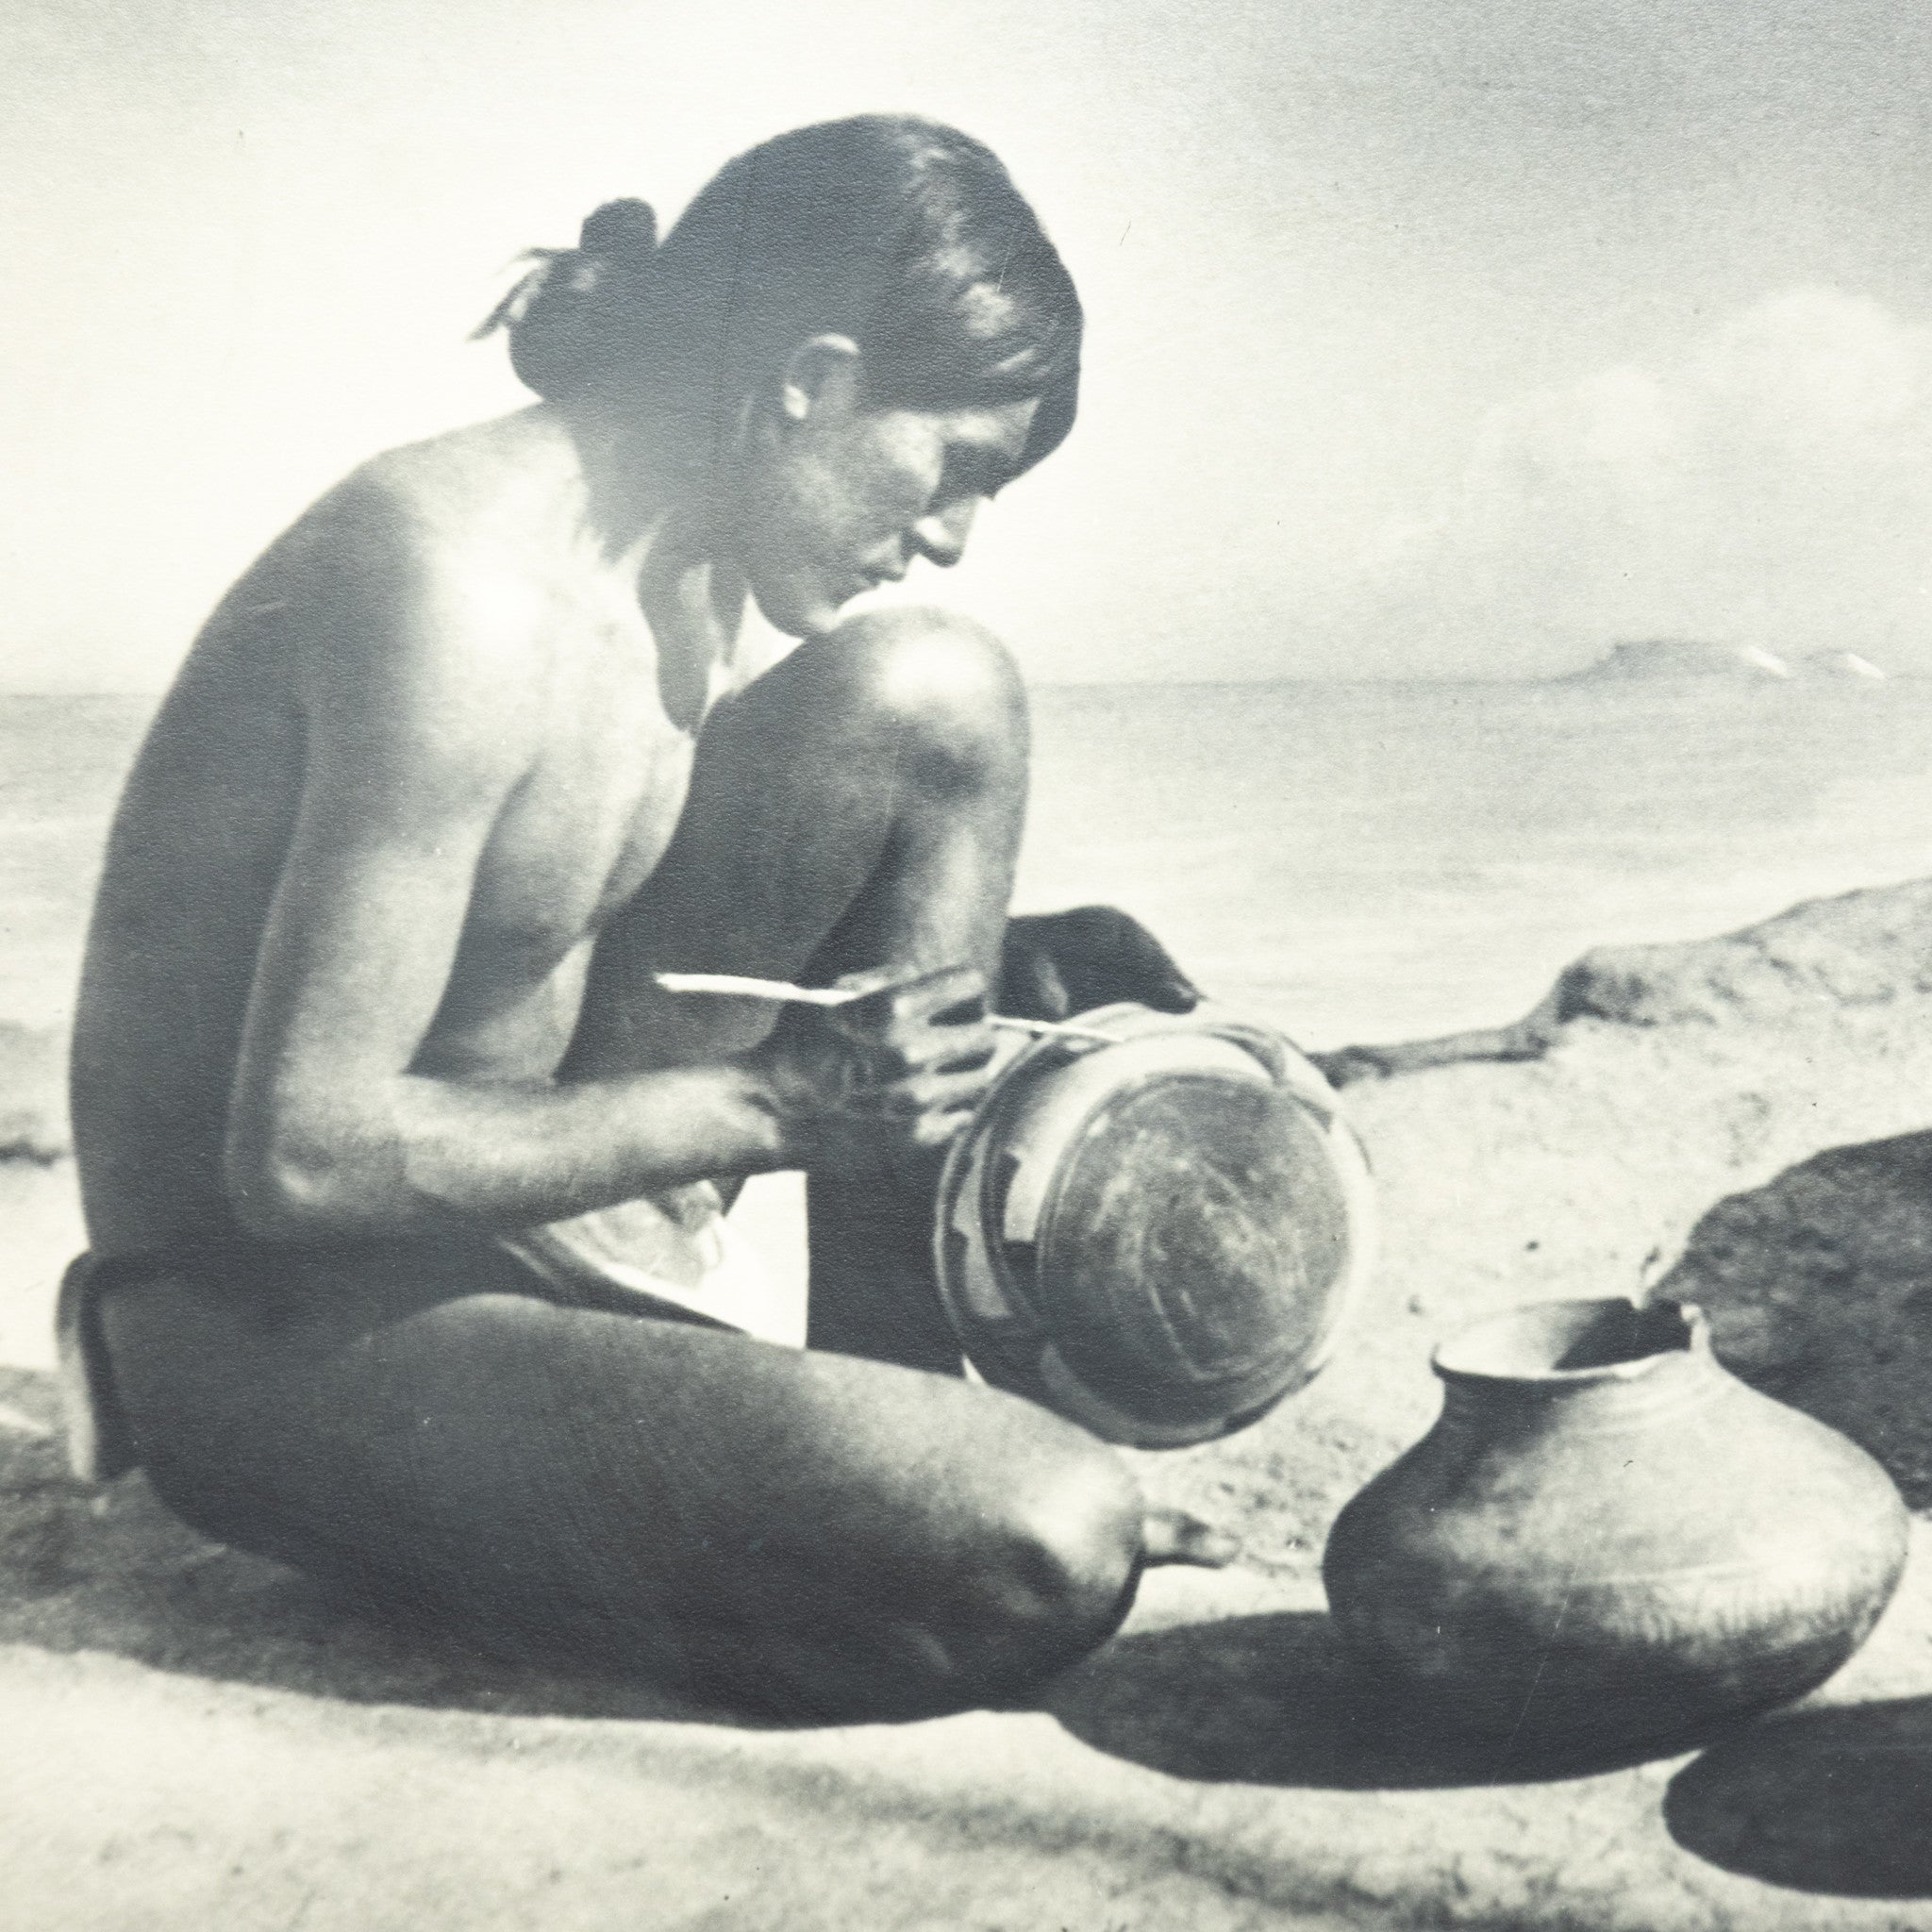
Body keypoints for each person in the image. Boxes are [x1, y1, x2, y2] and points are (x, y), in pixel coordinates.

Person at [61, 115, 1221, 1723]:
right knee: (1049, 1541)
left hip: (522, 1225)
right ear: (810, 378)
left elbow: (560, 926)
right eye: (954, 467)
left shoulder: (684, 555)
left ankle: (882, 1394)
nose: (952, 530)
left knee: (944, 688)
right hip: (270, 1316)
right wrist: (772, 1098)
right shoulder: (450, 593)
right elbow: (301, 1159)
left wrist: (995, 982)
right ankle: (823, 1497)